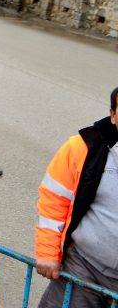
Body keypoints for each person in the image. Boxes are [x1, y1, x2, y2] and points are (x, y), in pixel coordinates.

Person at [35, 86, 118, 307]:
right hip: (84, 269)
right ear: (113, 115)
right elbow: (54, 200)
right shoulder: (84, 148)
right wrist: (47, 252)